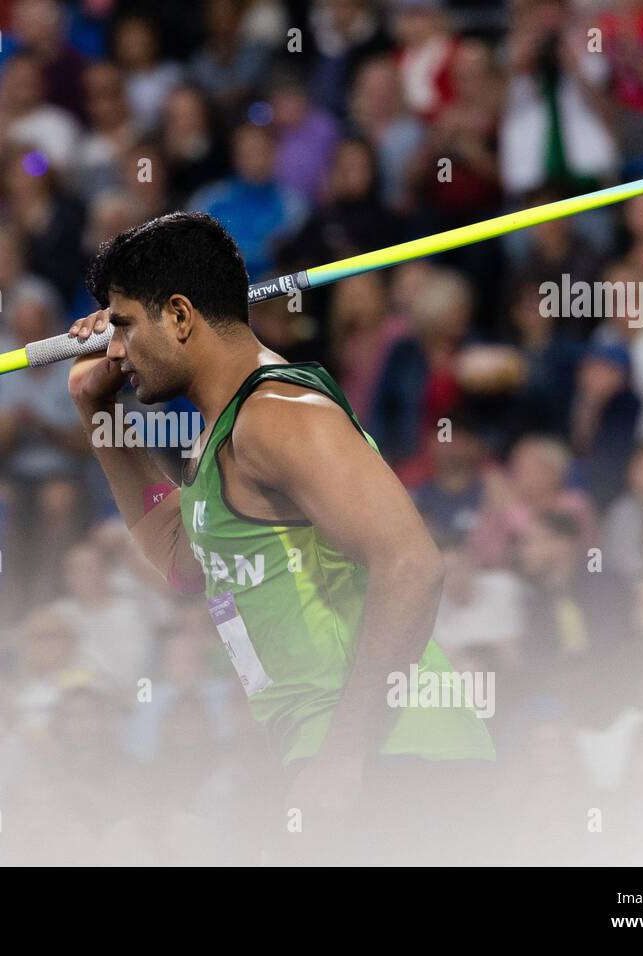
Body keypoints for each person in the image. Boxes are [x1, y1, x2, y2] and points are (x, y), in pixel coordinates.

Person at [64, 212, 492, 840]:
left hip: (400, 762)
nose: (116, 348)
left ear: (180, 316)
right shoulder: (223, 428)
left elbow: (413, 565)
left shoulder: (278, 417)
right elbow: (183, 559)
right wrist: (96, 410)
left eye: (125, 324)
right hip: (348, 760)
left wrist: (345, 752)